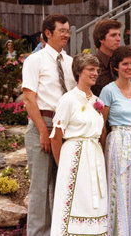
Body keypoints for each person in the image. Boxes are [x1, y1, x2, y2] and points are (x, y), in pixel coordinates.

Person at [22, 14, 76, 236]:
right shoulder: (35, 60)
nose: (66, 34)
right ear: (48, 33)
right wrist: (44, 132)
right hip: (42, 124)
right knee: (41, 187)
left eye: (67, 30)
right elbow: (28, 99)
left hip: (65, 127)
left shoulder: (71, 62)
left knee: (63, 184)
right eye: (61, 30)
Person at [49, 54, 107, 235]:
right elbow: (56, 137)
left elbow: (101, 132)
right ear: (78, 71)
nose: (95, 73)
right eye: (90, 69)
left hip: (94, 155)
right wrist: (64, 166)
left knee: (94, 204)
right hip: (74, 157)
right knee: (74, 203)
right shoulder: (68, 99)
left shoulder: (97, 101)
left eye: (97, 70)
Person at [99, 46, 131, 235]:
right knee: (118, 188)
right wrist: (104, 149)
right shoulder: (108, 91)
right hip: (117, 140)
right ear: (116, 67)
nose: (130, 67)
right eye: (125, 63)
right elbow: (102, 124)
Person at [91, 19, 122, 96]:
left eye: (119, 35)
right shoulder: (91, 64)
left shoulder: (122, 62)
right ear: (101, 39)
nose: (118, 39)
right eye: (113, 35)